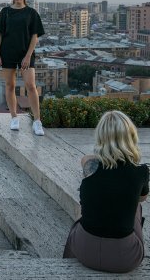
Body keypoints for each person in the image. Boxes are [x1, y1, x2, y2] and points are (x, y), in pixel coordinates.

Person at [63, 111, 148, 273]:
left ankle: (66, 260)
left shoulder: (91, 167)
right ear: (130, 136)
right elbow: (142, 198)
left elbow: (85, 159)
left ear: (101, 137)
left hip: (83, 251)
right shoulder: (141, 172)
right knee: (136, 205)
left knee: (83, 215)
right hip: (125, 259)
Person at [0, 0, 46, 136]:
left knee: (30, 85)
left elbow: (34, 36)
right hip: (7, 52)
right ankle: (14, 117)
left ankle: (37, 121)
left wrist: (28, 56)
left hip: (25, 53)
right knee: (9, 85)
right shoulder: (5, 12)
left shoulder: (31, 13)